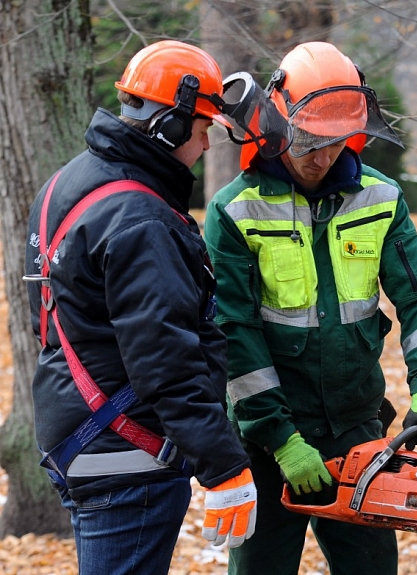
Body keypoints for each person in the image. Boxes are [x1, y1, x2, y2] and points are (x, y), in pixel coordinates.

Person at [23, 40, 288, 574]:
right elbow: (166, 359)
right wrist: (224, 467)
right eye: (202, 127)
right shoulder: (140, 217)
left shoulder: (70, 182)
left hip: (83, 426)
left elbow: (50, 314)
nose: (208, 143)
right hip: (125, 448)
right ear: (169, 125)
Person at [203, 41, 417, 575]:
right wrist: (281, 439)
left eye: (334, 141)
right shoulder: (235, 209)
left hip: (355, 423)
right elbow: (234, 332)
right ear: (276, 123)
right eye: (308, 139)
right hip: (270, 435)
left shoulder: (380, 197)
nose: (320, 156)